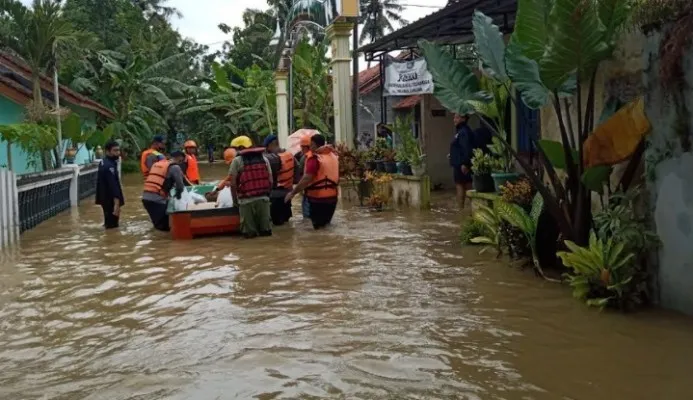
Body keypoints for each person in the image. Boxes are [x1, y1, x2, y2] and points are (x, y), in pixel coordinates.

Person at [285, 134, 339, 229]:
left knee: (318, 228)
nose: (310, 147)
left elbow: (306, 178)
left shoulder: (314, 159)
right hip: (333, 198)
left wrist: (292, 193)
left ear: (315, 145)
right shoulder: (333, 156)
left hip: (318, 199)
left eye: (311, 145)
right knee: (326, 226)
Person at [228, 135, 273, 238]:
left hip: (246, 201)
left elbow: (233, 184)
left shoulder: (237, 161)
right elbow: (270, 181)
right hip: (263, 199)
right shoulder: (264, 159)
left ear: (240, 148)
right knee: (266, 233)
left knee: (249, 235)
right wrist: (267, 196)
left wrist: (235, 201)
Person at [141, 151, 187, 231]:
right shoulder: (175, 167)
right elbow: (180, 186)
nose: (181, 163)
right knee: (165, 228)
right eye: (181, 161)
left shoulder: (157, 164)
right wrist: (178, 197)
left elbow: (161, 182)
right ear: (179, 158)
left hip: (146, 199)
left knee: (157, 226)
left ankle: (155, 241)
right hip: (157, 200)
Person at [263, 134, 297, 226]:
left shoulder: (271, 159)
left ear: (270, 145)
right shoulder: (290, 155)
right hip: (288, 195)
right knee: (286, 224)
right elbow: (297, 174)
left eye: (266, 148)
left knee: (277, 226)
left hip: (276, 197)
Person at [95, 140, 124, 229]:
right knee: (113, 227)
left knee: (108, 224)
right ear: (107, 151)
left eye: (118, 150)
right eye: (115, 150)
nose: (118, 153)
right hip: (110, 201)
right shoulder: (109, 166)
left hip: (105, 199)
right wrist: (116, 204)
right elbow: (113, 186)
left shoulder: (103, 162)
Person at [449, 113, 474, 207]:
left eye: (456, 117)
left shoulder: (464, 131)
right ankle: (467, 210)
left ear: (463, 119)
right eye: (454, 117)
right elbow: (460, 148)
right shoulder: (461, 131)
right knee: (466, 186)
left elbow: (467, 148)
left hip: (462, 164)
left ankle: (462, 210)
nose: (454, 119)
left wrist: (465, 163)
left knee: (462, 186)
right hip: (460, 163)